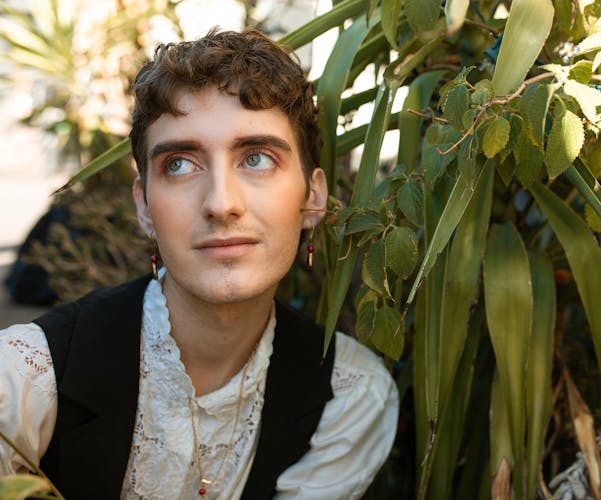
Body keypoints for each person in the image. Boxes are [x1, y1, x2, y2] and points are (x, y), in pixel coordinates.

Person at [0, 28, 399, 499]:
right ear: (145, 206)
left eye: (256, 158)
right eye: (180, 164)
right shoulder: (23, 382)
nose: (221, 203)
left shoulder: (349, 397)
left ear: (312, 198)